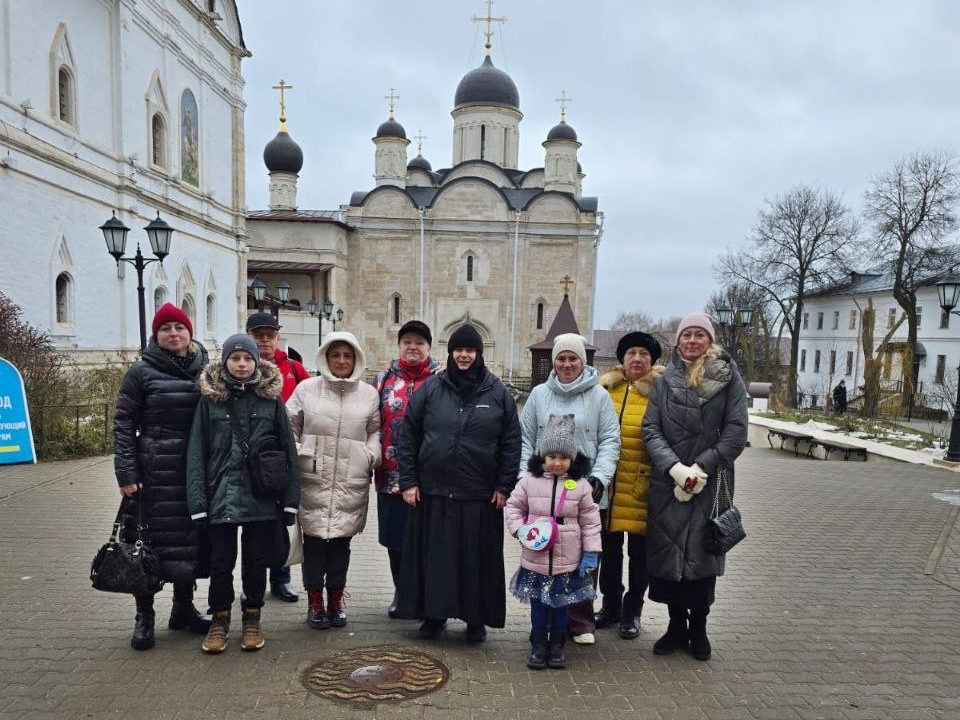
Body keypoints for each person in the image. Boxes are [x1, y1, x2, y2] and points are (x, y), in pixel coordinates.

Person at [397, 324, 522, 642]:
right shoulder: (431, 388)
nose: (464, 355)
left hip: (479, 494)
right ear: (450, 352)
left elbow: (511, 442)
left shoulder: (497, 393)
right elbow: (408, 434)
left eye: (470, 350)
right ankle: (434, 616)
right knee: (436, 560)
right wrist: (409, 480)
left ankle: (475, 619)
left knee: (475, 561)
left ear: (478, 354)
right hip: (434, 491)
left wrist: (504, 485)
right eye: (458, 349)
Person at [642, 312, 748, 661]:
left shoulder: (729, 378)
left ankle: (699, 628)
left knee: (702, 556)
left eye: (699, 335)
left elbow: (736, 430)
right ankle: (675, 627)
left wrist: (701, 467)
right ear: (678, 340)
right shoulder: (663, 381)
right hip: (668, 482)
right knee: (669, 554)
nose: (692, 340)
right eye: (686, 334)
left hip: (710, 480)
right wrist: (674, 468)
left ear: (709, 341)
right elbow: (651, 429)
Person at [185, 334, 300, 653]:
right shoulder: (210, 401)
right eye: (235, 358)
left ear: (256, 362)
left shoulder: (270, 400)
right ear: (225, 363)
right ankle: (219, 619)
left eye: (247, 359)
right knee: (221, 562)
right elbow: (197, 453)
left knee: (255, 561)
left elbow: (287, 450)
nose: (241, 364)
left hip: (260, 495)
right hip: (220, 493)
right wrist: (197, 503)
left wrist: (291, 501)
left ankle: (252, 616)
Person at [112, 303, 212, 651]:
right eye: (166, 328)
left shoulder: (206, 370)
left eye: (179, 327)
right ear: (156, 335)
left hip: (195, 471)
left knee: (190, 542)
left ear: (190, 333)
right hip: (153, 472)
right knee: (146, 543)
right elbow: (124, 423)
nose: (173, 333)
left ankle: (183, 609)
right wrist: (126, 471)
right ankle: (145, 616)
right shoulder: (140, 372)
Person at [519, 332, 620, 645]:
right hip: (543, 491)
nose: (566, 364)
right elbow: (525, 440)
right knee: (544, 554)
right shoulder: (538, 395)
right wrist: (526, 477)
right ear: (554, 362)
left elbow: (609, 440)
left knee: (581, 556)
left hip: (584, 491)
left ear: (582, 361)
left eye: (572, 358)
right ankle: (544, 620)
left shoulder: (598, 396)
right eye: (561, 358)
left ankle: (580, 622)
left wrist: (600, 478)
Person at [286, 331, 381, 630]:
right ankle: (315, 601)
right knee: (313, 542)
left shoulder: (368, 394)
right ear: (326, 357)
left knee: (341, 544)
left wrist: (369, 455)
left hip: (350, 479)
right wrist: (300, 453)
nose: (341, 360)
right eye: (336, 354)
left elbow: (375, 429)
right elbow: (290, 424)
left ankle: (336, 599)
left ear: (356, 359)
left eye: (347, 355)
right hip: (312, 476)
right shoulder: (306, 389)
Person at [505, 414, 602, 670]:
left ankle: (557, 644)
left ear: (572, 459)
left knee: (561, 605)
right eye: (552, 457)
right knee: (538, 604)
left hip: (567, 562)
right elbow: (513, 508)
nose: (557, 463)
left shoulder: (581, 486)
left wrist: (591, 553)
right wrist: (520, 530)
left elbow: (591, 522)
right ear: (543, 457)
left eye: (563, 457)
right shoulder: (528, 482)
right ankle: (538, 642)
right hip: (536, 558)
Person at [595, 331, 664, 640]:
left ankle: (633, 610)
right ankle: (610, 606)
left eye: (644, 354)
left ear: (652, 361)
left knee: (641, 555)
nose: (637, 359)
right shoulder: (605, 390)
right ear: (621, 359)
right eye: (632, 353)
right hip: (609, 487)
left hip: (642, 486)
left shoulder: (661, 393)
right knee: (608, 552)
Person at [373, 320, 440, 618]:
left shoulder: (441, 378)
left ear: (428, 347)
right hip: (391, 474)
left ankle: (425, 594)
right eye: (407, 341)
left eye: (419, 342)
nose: (413, 347)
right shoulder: (384, 377)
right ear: (399, 345)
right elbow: (371, 420)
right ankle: (401, 591)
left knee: (427, 538)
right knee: (395, 537)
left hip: (430, 476)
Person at [246, 312, 308, 602]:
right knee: (253, 526)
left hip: (283, 457)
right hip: (250, 460)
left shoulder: (294, 367)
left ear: (277, 337)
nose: (265, 340)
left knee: (282, 520)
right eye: (259, 335)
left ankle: (281, 578)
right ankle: (252, 581)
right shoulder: (242, 365)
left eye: (270, 335)